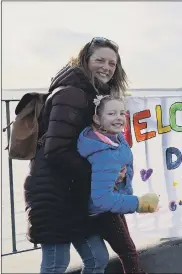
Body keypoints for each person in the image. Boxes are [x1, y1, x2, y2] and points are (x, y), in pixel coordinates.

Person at [24, 37, 128, 273]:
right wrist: (103, 174)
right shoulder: (71, 94)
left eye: (112, 63)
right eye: (99, 60)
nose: (106, 67)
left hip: (75, 194)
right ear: (85, 60)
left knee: (97, 259)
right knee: (55, 264)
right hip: (54, 194)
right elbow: (56, 151)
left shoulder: (90, 94)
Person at [77, 95, 160, 274]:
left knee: (128, 249)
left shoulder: (113, 138)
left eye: (122, 113)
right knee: (128, 252)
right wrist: (138, 203)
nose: (119, 117)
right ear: (97, 118)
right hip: (103, 212)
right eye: (112, 113)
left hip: (114, 205)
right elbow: (101, 198)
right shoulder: (104, 152)